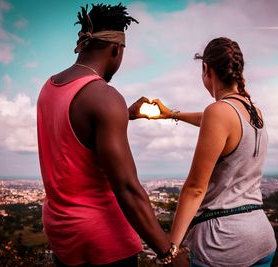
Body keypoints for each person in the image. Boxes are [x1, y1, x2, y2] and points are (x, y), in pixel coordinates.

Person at [37, 3, 178, 267]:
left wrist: (124, 114)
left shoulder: (50, 86)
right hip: (104, 239)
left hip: (63, 233)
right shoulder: (104, 97)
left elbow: (76, 136)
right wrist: (168, 253)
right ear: (116, 49)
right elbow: (127, 188)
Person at [141, 37, 277, 266]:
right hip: (262, 239)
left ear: (206, 68)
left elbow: (195, 188)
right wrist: (171, 114)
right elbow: (211, 121)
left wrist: (170, 251)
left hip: (224, 243)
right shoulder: (255, 111)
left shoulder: (219, 112)